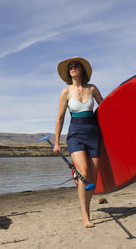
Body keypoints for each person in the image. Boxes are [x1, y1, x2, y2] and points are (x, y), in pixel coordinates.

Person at [53, 57, 103, 228]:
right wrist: (56, 142)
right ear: (69, 72)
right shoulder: (65, 92)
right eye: (71, 67)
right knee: (84, 172)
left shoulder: (92, 88)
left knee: (92, 177)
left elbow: (105, 108)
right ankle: (85, 216)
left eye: (76, 66)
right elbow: (60, 118)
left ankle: (87, 208)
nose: (73, 68)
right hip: (75, 136)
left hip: (94, 135)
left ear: (82, 70)